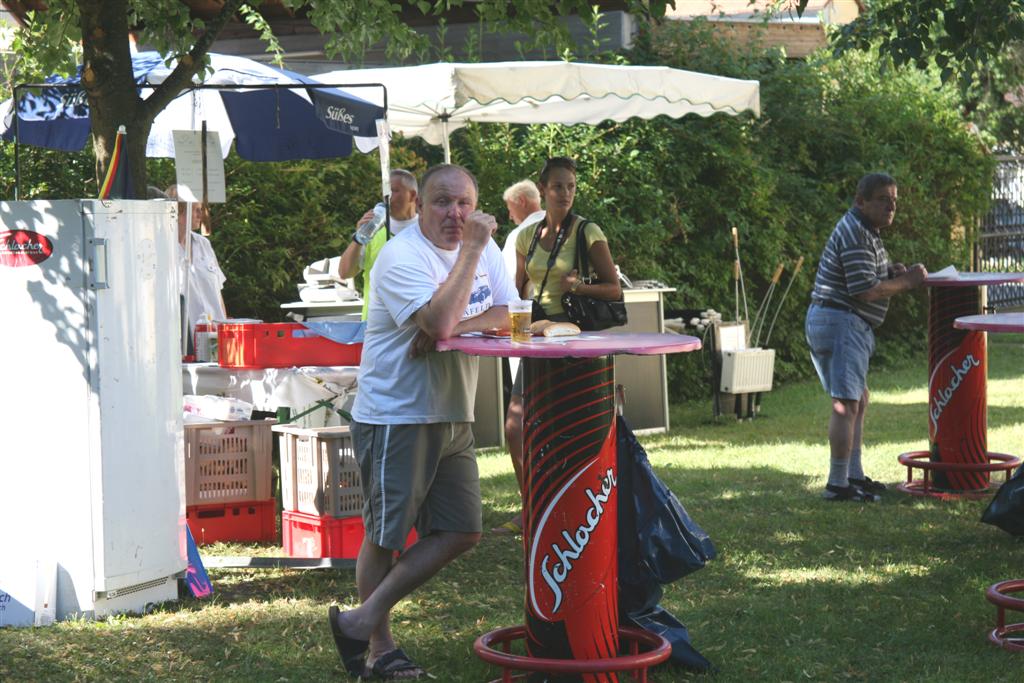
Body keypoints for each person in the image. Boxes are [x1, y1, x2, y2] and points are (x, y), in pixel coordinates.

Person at [327, 164, 516, 680]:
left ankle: (359, 621)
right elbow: (435, 322)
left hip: (454, 411)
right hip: (398, 415)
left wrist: (458, 324)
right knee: (385, 536)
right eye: (443, 202)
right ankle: (380, 650)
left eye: (465, 204)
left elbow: (509, 312)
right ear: (419, 204)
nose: (456, 214)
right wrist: (470, 257)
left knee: (462, 529)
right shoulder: (400, 255)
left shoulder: (486, 247)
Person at [498, 156, 622, 535]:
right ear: (543, 191)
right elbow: (518, 290)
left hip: (579, 342)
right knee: (516, 427)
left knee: (577, 429)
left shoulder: (588, 231)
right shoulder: (526, 236)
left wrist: (578, 287)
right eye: (557, 186)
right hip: (539, 339)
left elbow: (614, 289)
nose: (565, 193)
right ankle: (532, 507)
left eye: (570, 186)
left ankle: (582, 510)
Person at [805, 173, 928, 502]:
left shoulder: (865, 230)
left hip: (843, 322)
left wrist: (891, 272)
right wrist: (909, 282)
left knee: (858, 399)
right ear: (861, 201)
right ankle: (837, 483)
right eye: (883, 200)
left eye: (895, 201)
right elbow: (864, 291)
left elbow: (866, 276)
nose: (891, 206)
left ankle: (853, 475)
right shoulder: (857, 232)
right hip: (842, 321)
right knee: (846, 404)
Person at [338, 169, 419, 319]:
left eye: (394, 191)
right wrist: (358, 238)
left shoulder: (426, 230)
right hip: (374, 329)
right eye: (385, 193)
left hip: (414, 327)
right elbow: (345, 273)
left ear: (412, 195)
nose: (387, 198)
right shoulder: (372, 230)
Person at [166, 185, 226, 341]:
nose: (201, 214)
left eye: (201, 209)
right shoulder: (163, 247)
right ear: (178, 211)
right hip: (185, 340)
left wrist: (226, 329)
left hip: (217, 336)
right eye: (195, 209)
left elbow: (218, 294)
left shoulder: (204, 244)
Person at [500, 179, 544, 288]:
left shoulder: (518, 235)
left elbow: (507, 278)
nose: (510, 216)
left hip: (535, 302)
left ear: (522, 201)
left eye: (510, 209)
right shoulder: (565, 224)